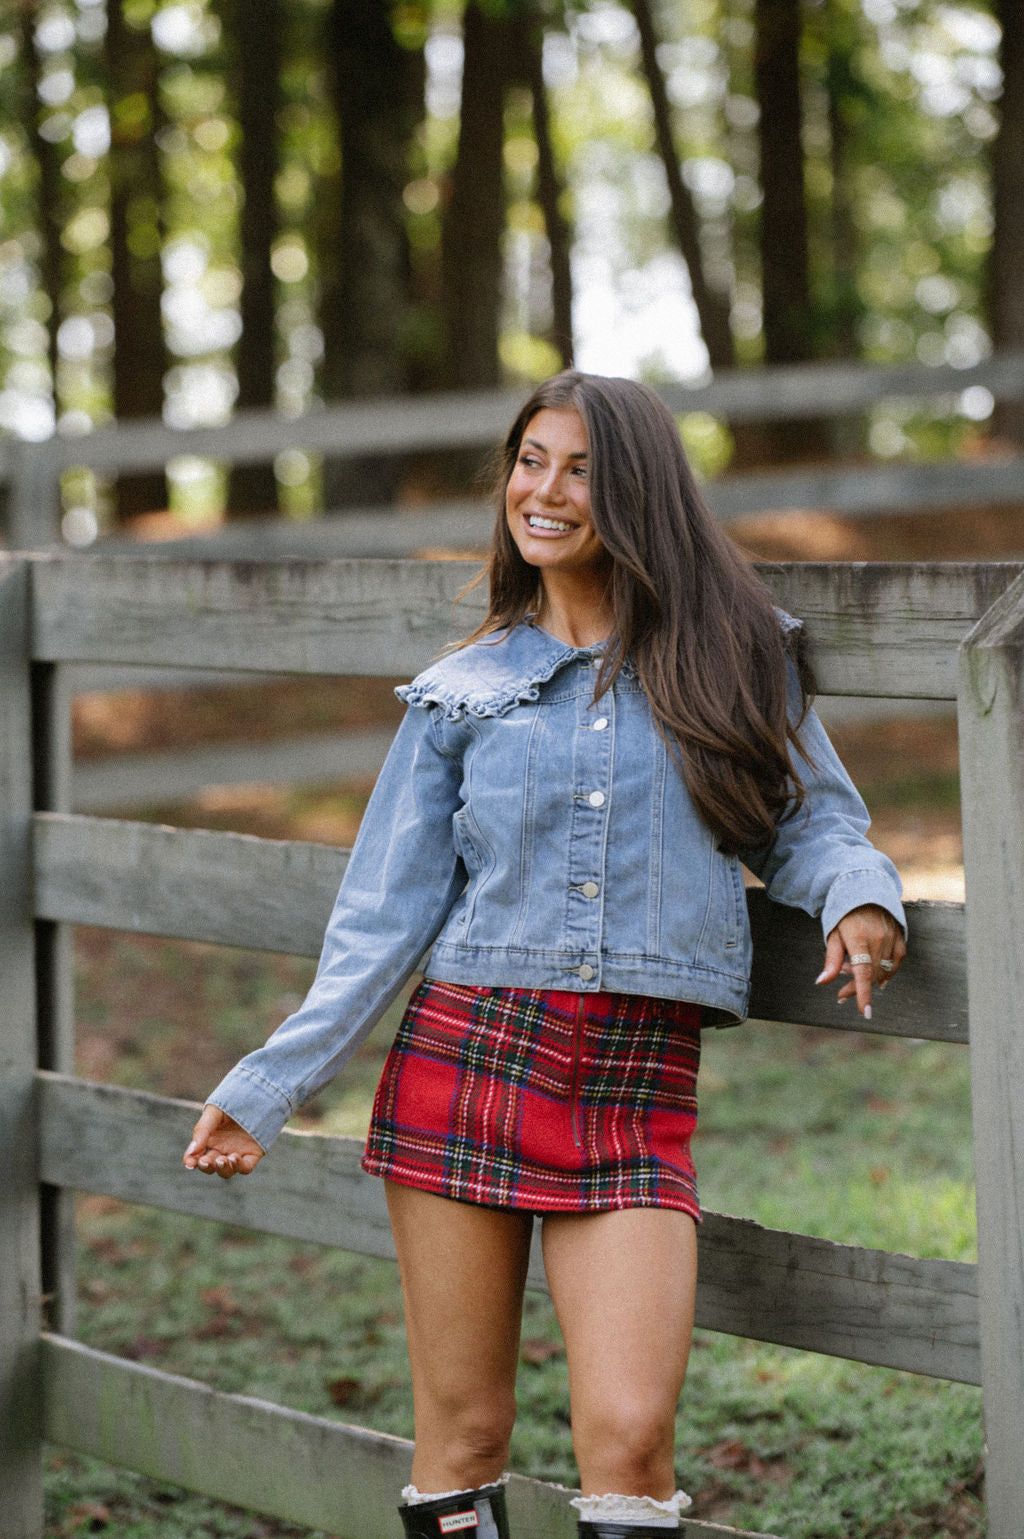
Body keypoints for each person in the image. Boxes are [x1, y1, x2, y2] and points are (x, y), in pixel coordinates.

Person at [183, 371, 906, 1539]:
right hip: (465, 1058)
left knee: (630, 1435)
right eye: (529, 461)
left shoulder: (732, 655)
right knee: (463, 1436)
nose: (546, 491)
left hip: (632, 1078)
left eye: (579, 468)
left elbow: (809, 819)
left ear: (638, 492)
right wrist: (268, 1084)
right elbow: (382, 915)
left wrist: (858, 897)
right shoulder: (459, 696)